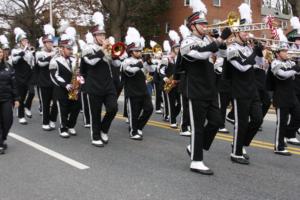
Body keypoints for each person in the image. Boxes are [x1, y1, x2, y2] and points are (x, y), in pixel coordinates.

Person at [180, 0, 230, 175]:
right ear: (193, 26)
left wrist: (222, 44)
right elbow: (200, 54)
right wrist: (218, 40)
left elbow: (223, 55)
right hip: (196, 89)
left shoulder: (209, 39)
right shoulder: (186, 41)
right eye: (201, 24)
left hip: (210, 88)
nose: (205, 26)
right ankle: (196, 160)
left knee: (216, 122)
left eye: (205, 24)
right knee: (198, 127)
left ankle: (195, 147)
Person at [226, 3, 263, 164]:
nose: (248, 34)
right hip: (239, 89)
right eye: (245, 31)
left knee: (257, 119)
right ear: (237, 32)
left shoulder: (248, 48)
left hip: (252, 88)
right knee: (241, 122)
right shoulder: (232, 48)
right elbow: (242, 66)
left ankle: (240, 144)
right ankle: (236, 153)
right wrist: (254, 52)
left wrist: (259, 52)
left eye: (249, 31)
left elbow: (260, 64)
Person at [83, 12, 118, 147]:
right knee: (95, 113)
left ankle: (104, 129)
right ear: (94, 36)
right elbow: (90, 62)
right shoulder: (87, 48)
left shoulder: (107, 48)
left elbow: (116, 65)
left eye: (103, 35)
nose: (102, 37)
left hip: (108, 84)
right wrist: (102, 50)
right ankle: (96, 136)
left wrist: (116, 56)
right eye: (99, 35)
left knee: (113, 108)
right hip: (94, 84)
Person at [49, 25, 81, 138]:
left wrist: (79, 79)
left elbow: (78, 72)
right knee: (63, 108)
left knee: (77, 107)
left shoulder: (74, 59)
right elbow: (54, 76)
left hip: (74, 88)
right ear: (62, 48)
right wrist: (65, 84)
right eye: (68, 48)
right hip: (61, 89)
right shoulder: (55, 60)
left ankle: (71, 125)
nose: (71, 50)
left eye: (71, 48)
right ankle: (63, 128)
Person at [123, 27, 154, 140]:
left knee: (149, 109)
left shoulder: (141, 61)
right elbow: (130, 71)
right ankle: (133, 131)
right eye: (137, 51)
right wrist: (141, 63)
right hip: (132, 91)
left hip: (143, 90)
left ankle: (138, 127)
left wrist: (149, 62)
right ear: (131, 52)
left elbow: (152, 69)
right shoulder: (126, 61)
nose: (139, 52)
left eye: (140, 50)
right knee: (134, 114)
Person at [271, 43, 300, 155]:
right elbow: (282, 75)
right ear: (277, 53)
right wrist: (295, 68)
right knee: (281, 122)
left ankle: (288, 134)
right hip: (281, 96)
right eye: (284, 51)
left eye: (286, 51)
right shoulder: (275, 63)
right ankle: (279, 146)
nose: (286, 53)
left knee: (298, 115)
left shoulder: (290, 62)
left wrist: (296, 66)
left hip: (291, 95)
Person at [36, 24, 58, 131]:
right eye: (48, 42)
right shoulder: (39, 53)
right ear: (44, 43)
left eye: (51, 42)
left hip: (54, 82)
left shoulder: (55, 52)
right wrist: (51, 55)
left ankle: (52, 119)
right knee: (45, 104)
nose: (51, 44)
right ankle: (45, 122)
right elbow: (41, 63)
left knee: (56, 102)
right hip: (43, 82)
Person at [11, 27, 35, 125]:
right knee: (21, 96)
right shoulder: (15, 50)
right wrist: (25, 50)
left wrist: (32, 53)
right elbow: (15, 60)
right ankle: (21, 116)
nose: (26, 42)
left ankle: (27, 106)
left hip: (29, 75)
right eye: (24, 40)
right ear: (19, 42)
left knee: (32, 92)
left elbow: (32, 63)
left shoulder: (28, 51)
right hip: (19, 76)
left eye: (26, 40)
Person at [0, 44, 20, 154]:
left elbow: (14, 84)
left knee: (8, 120)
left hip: (6, 98)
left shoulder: (8, 66)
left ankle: (2, 139)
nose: (0, 54)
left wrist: (16, 98)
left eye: (1, 52)